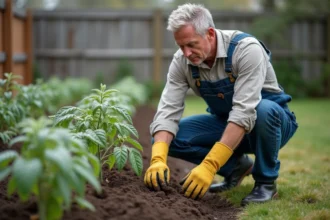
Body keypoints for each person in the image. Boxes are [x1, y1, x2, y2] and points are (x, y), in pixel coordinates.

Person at [143, 3, 298, 206]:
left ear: (209, 34)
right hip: (226, 125)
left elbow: (244, 113)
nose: (186, 53)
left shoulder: (246, 50)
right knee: (164, 141)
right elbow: (167, 111)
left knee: (263, 109)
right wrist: (157, 159)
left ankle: (265, 183)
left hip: (270, 125)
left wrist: (209, 165)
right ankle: (235, 167)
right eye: (181, 46)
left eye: (191, 44)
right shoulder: (182, 62)